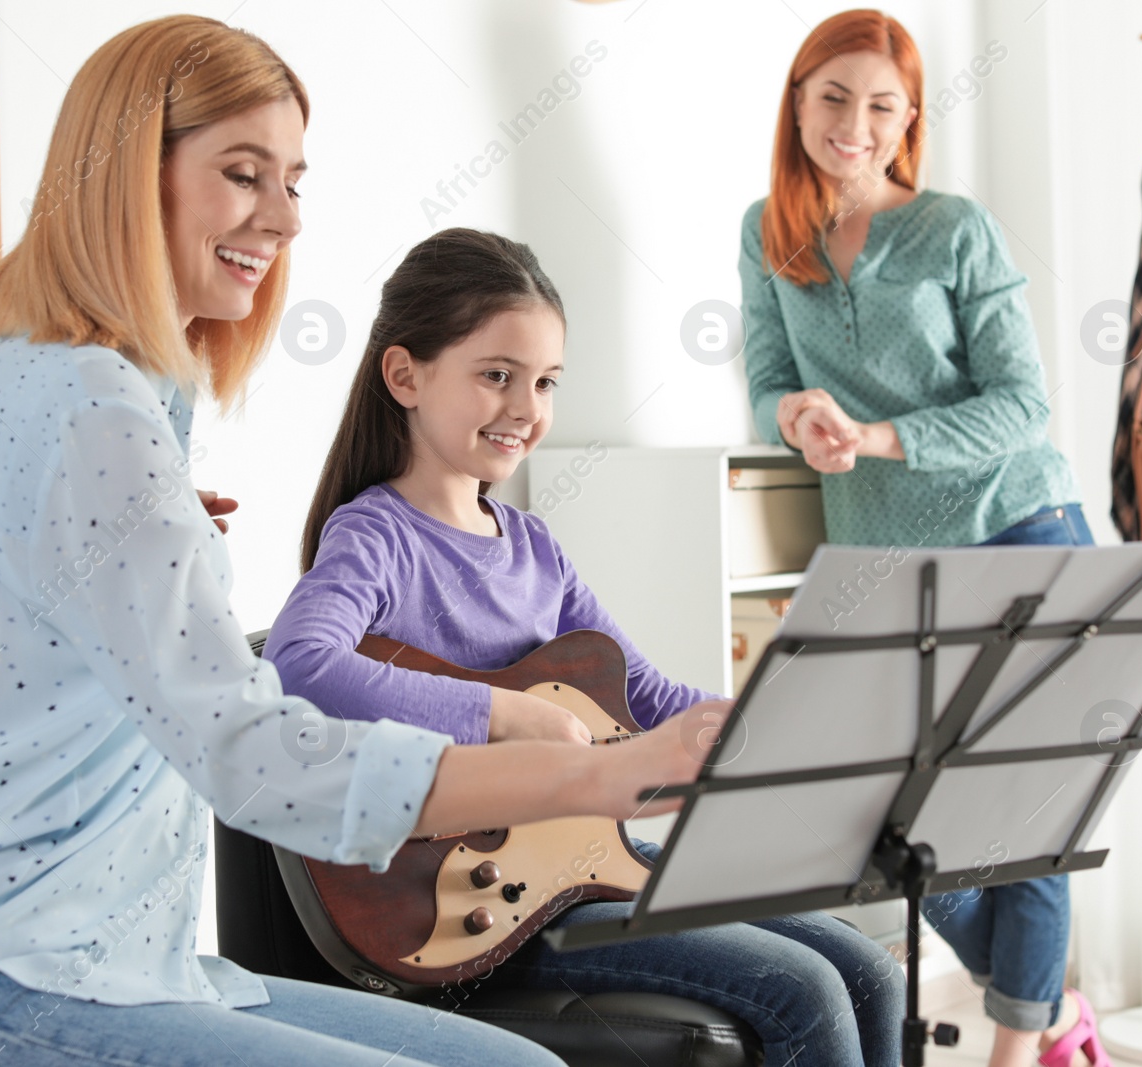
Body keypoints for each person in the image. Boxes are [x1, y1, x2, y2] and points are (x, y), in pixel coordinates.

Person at [0, 18, 726, 1067]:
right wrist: (582, 778)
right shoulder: (88, 408)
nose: (284, 217)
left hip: (131, 959)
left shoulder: (104, 388)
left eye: (294, 179)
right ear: (123, 176)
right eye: (244, 174)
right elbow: (252, 752)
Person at [264, 227, 907, 1067]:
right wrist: (504, 715)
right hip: (479, 902)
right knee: (806, 988)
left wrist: (787, 730)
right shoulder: (377, 534)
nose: (525, 408)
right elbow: (296, 664)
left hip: (587, 861)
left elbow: (644, 696)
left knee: (869, 970)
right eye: (496, 375)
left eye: (544, 382)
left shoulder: (535, 547)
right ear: (405, 374)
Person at [737, 9, 1103, 1067]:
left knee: (1015, 814)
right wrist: (792, 419)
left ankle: (1013, 1048)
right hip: (883, 554)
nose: (855, 124)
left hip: (1015, 522)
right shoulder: (767, 228)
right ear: (798, 101)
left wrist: (884, 434)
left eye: (882, 106)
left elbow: (1022, 405)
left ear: (908, 121)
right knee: (880, 810)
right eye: (834, 97)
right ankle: (1045, 1005)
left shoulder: (952, 227)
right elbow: (765, 377)